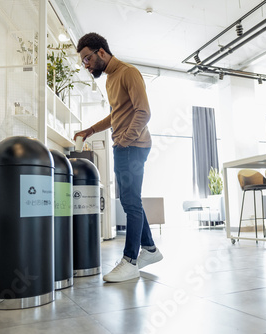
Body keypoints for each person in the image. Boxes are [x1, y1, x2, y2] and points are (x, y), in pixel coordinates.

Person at [74, 33, 163, 282]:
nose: (87, 65)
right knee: (130, 199)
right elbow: (116, 115)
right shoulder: (111, 79)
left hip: (132, 146)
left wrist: (124, 140)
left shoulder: (128, 72)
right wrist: (90, 130)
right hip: (125, 145)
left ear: (101, 52)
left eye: (87, 59)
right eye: (83, 61)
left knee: (130, 202)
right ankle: (151, 250)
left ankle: (130, 260)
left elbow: (143, 112)